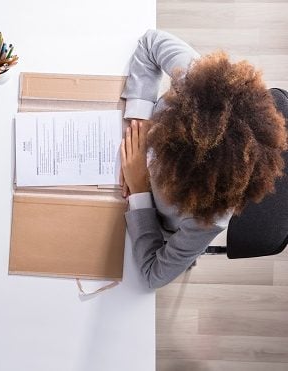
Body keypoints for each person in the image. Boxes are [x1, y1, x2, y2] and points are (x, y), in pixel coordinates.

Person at [119, 30, 288, 289]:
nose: (155, 155)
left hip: (141, 212)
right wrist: (140, 122)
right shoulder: (198, 86)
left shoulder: (207, 217)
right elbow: (150, 43)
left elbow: (153, 274)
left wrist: (140, 190)